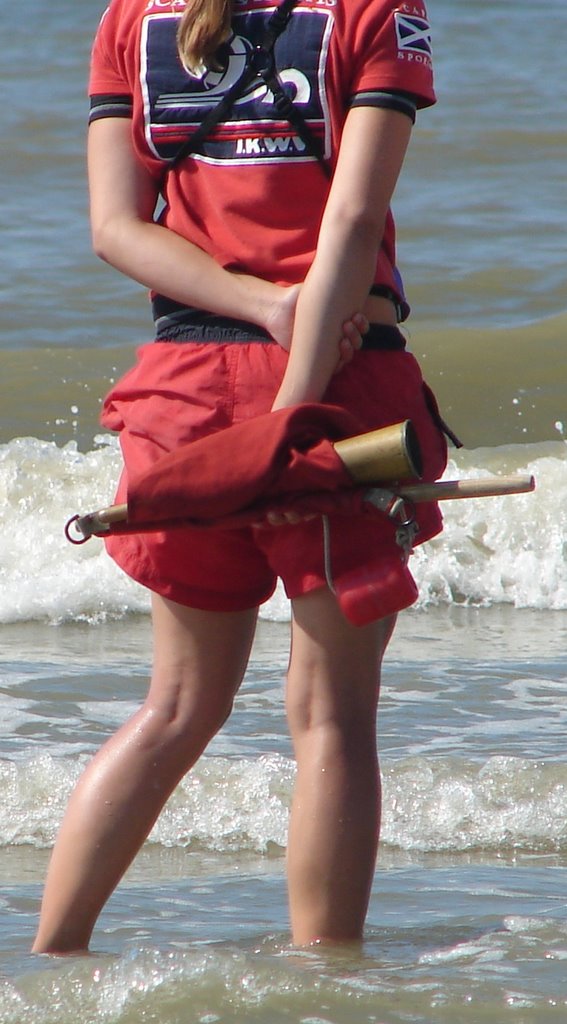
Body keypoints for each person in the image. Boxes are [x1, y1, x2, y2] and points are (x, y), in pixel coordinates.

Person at [32, 0, 448, 954]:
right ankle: (325, 988)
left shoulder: (130, 16)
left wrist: (260, 307)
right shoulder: (378, 9)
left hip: (182, 398)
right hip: (337, 391)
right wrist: (292, 402)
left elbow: (113, 228)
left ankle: (47, 965)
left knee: (175, 707)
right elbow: (348, 212)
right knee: (331, 718)